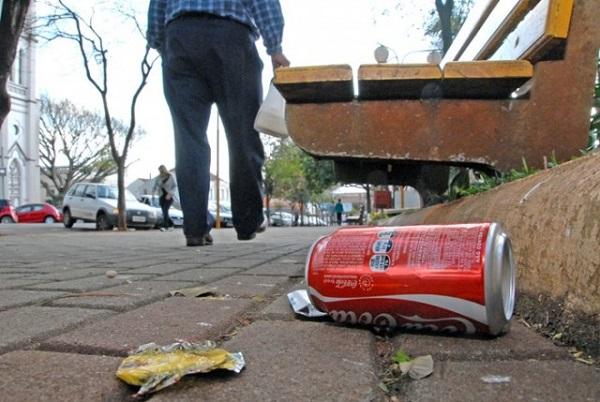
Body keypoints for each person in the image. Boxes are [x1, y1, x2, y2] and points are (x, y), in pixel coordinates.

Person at [147, 0, 290, 247]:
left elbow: (157, 9)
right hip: (231, 37)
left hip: (180, 37)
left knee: (188, 139)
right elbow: (264, 3)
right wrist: (274, 46)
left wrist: (164, 44)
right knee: (243, 134)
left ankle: (194, 228)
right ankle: (248, 221)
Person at [153, 165, 178, 231]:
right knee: (164, 211)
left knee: (165, 209)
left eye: (162, 170)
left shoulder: (171, 176)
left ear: (165, 169)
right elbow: (155, 186)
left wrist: (170, 194)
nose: (161, 172)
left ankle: (165, 226)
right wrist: (153, 193)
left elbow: (175, 186)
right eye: (160, 170)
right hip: (161, 195)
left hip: (169, 196)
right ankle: (171, 224)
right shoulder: (158, 177)